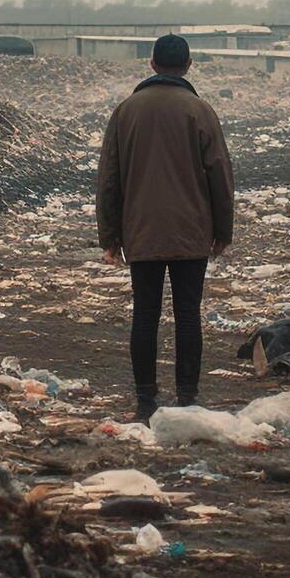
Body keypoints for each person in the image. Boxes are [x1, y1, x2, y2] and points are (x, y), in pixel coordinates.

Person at [96, 34, 235, 422]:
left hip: (141, 232)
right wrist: (223, 231)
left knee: (145, 314)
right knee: (188, 314)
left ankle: (145, 402)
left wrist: (109, 236)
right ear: (188, 65)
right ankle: (187, 398)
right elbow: (220, 176)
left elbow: (109, 178)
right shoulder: (200, 111)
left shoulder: (126, 112)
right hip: (191, 232)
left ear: (153, 64)